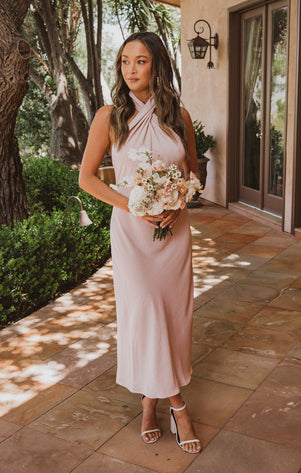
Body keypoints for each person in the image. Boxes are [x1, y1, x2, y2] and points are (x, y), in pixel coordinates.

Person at [79, 31, 201, 455]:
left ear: (157, 66)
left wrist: (177, 202)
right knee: (146, 312)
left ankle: (149, 403)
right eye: (125, 61)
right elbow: (87, 179)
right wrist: (134, 206)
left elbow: (191, 175)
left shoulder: (178, 116)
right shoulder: (108, 116)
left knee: (171, 316)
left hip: (173, 233)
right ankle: (177, 406)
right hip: (132, 234)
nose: (131, 69)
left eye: (141, 61)